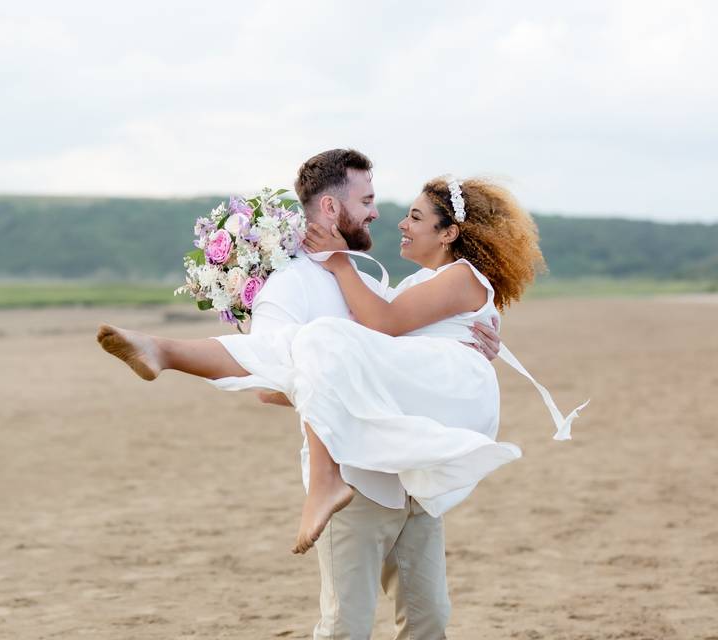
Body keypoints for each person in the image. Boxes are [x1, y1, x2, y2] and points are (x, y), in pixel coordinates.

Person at [98, 150, 583, 639]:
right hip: (363, 478)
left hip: (413, 469)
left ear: (449, 232)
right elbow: (273, 383)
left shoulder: (373, 276)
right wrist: (333, 378)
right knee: (345, 626)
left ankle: (167, 351)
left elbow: (393, 327)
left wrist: (470, 336)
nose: (385, 217)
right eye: (368, 200)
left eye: (412, 215)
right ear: (331, 208)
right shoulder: (293, 284)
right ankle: (165, 352)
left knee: (428, 616)